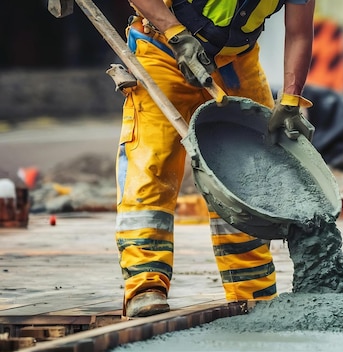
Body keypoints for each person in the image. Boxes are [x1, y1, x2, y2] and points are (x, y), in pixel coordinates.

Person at [116, 0, 316, 318]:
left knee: (249, 175)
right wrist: (177, 34)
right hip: (163, 51)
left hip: (235, 63)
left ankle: (252, 291)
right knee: (153, 164)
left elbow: (300, 32)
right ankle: (145, 285)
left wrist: (291, 99)